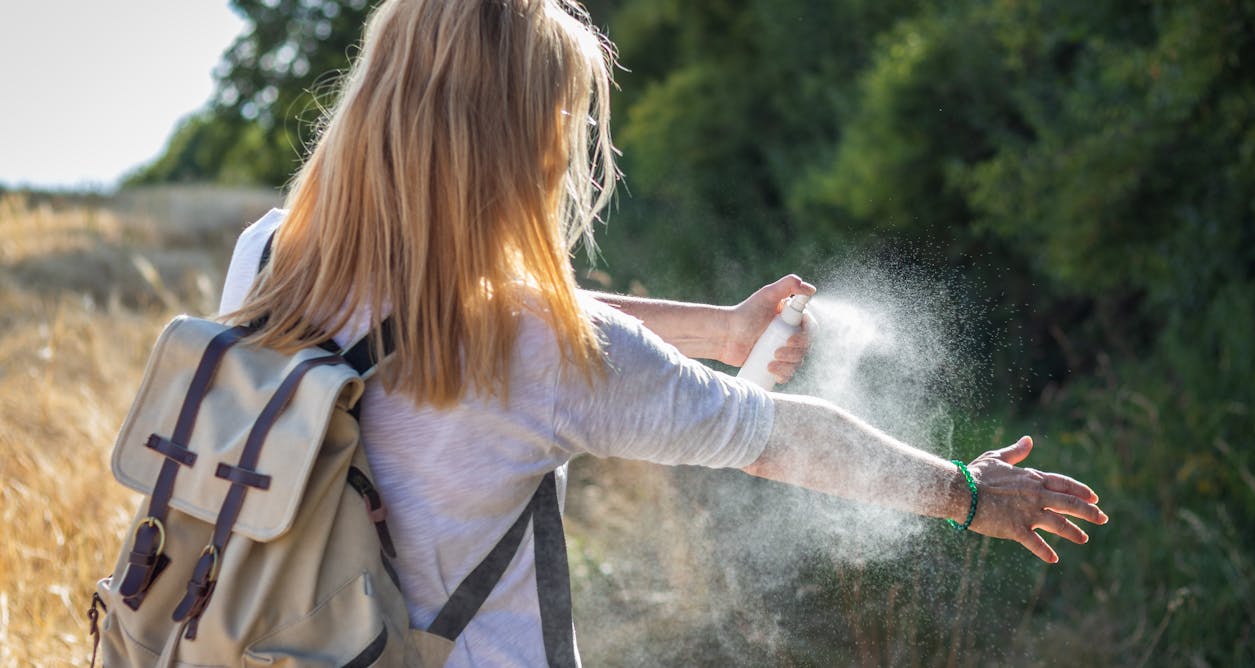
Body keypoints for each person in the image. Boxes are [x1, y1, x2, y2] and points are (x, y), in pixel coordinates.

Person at [218, 0, 1108, 665]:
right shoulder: (538, 348)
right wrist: (967, 492)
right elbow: (779, 436)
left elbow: (484, 316)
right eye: (564, 114)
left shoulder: (271, 253)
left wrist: (722, 331)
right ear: (523, 136)